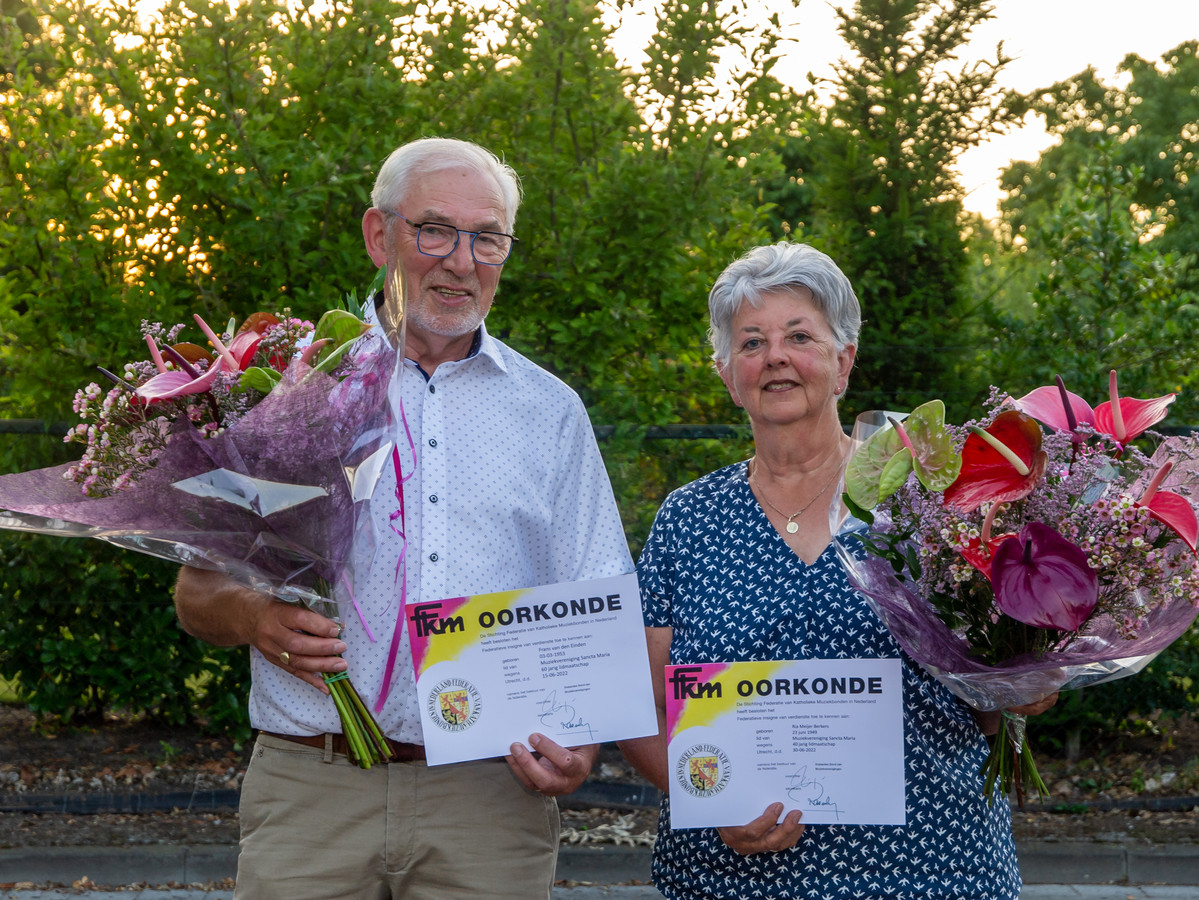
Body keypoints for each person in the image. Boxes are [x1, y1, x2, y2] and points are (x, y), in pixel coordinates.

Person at [174, 137, 633, 899]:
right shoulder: (280, 389)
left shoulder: (549, 411)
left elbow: (596, 590)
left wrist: (581, 738)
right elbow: (195, 594)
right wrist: (256, 616)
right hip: (310, 791)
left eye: (486, 237)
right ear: (377, 235)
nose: (461, 260)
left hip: (490, 801)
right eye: (434, 230)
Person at [618, 241, 1053, 900]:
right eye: (751, 342)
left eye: (799, 336)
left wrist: (1031, 680)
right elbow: (637, 704)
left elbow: (1008, 679)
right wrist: (705, 793)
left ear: (843, 361)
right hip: (730, 877)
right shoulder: (688, 518)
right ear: (725, 371)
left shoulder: (929, 498)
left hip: (929, 869)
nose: (775, 358)